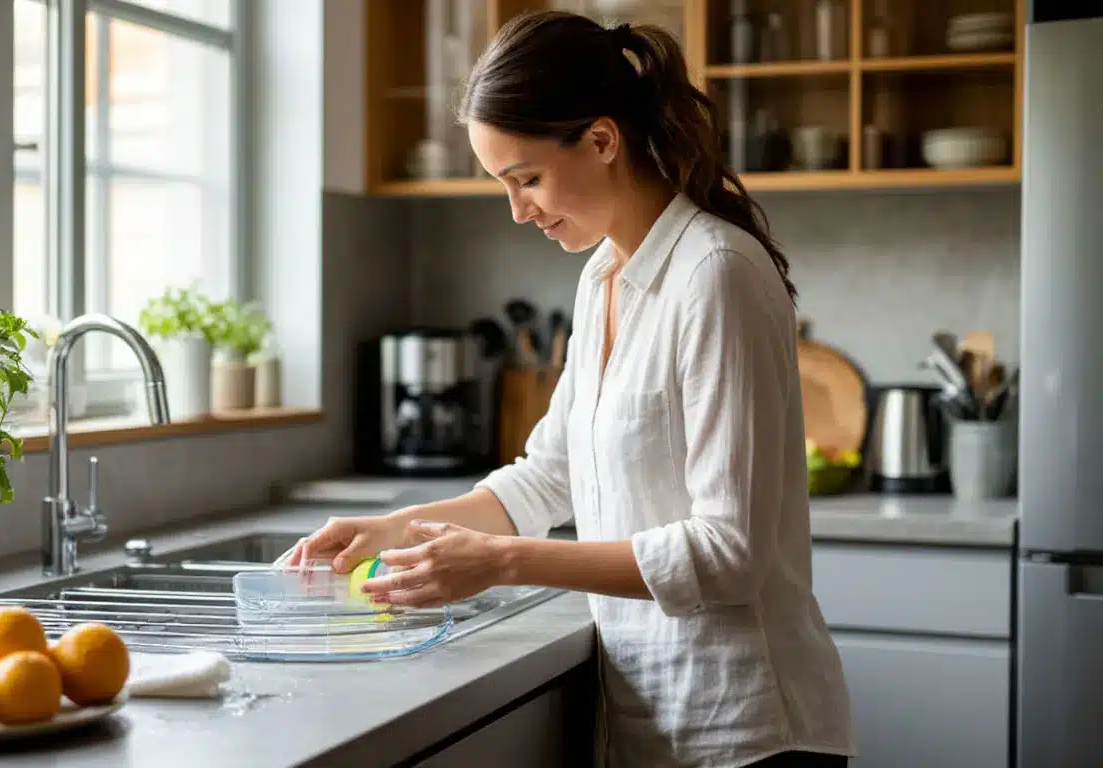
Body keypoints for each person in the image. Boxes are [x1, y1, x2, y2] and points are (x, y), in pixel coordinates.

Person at [290, 11, 854, 768]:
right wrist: (398, 528)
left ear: (601, 140)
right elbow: (547, 476)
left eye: (526, 178)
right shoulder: (602, 278)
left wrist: (501, 561)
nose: (518, 210)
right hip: (652, 724)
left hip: (749, 732)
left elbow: (731, 553)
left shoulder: (716, 274)